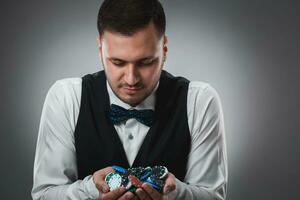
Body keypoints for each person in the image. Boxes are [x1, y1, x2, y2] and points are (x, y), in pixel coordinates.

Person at [31, 0, 228, 199]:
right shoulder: (66, 98)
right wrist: (91, 191)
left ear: (164, 49)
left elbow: (213, 197)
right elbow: (44, 195)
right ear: (100, 49)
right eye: (118, 62)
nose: (131, 79)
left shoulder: (199, 101)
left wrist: (175, 194)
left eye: (145, 62)